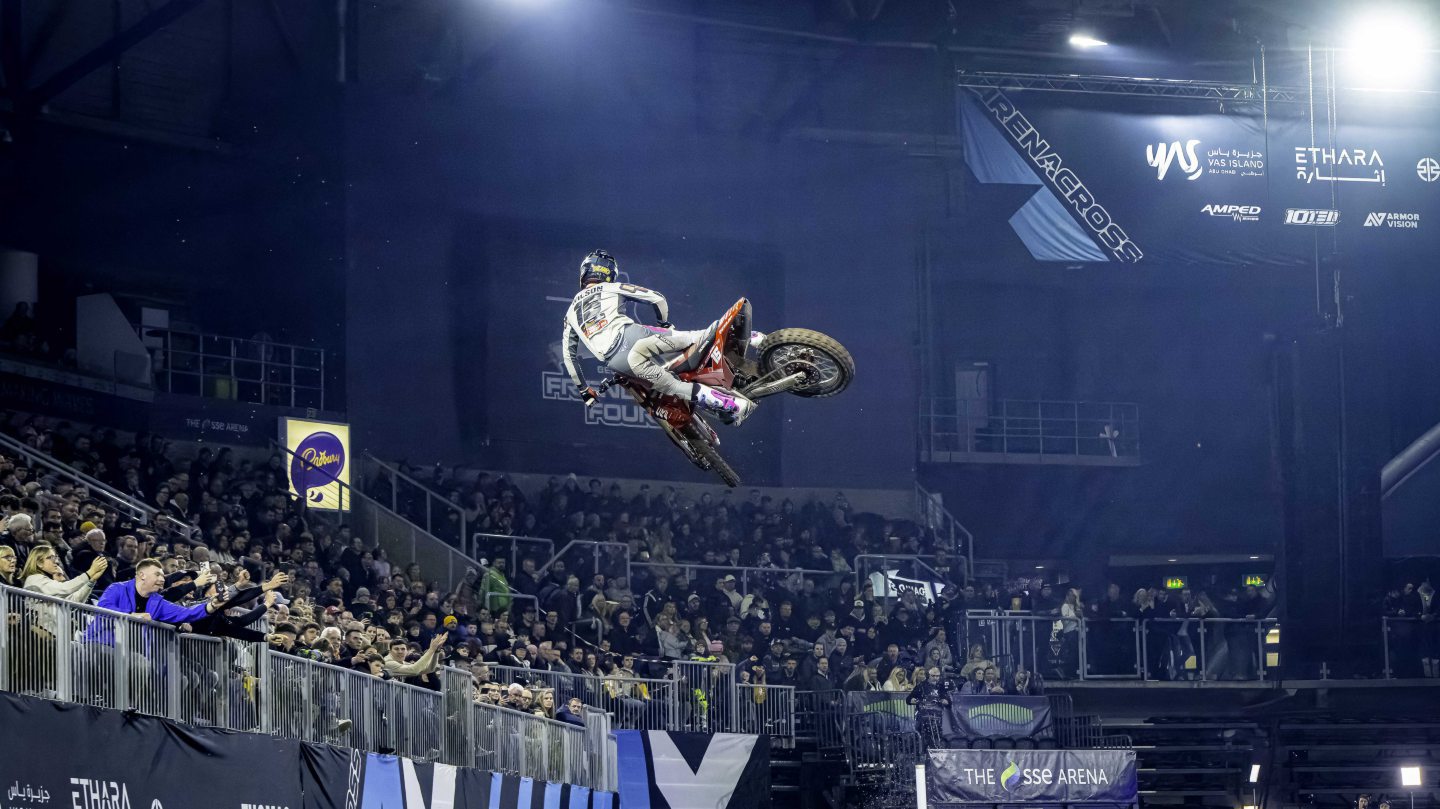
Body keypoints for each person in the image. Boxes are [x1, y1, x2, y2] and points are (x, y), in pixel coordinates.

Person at [560, 249, 757, 424]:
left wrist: (584, 390)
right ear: (609, 272)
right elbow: (657, 299)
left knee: (673, 386)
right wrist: (663, 323)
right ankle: (756, 339)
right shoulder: (612, 287)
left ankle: (734, 406)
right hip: (635, 336)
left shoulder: (570, 314)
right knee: (697, 338)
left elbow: (569, 357)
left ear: (585, 272)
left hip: (619, 361)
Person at [907, 665, 951, 750]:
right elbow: (908, 699)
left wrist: (945, 701)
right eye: (933, 676)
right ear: (928, 676)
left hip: (937, 717)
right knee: (921, 739)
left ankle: (935, 754)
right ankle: (921, 755)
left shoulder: (942, 686)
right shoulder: (921, 686)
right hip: (923, 717)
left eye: (937, 676)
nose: (935, 678)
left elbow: (949, 701)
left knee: (936, 738)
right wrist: (914, 700)